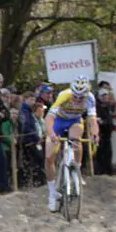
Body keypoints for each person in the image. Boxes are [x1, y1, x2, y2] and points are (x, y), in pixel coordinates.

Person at [44, 75, 98, 212]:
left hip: (75, 121)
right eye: (76, 96)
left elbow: (92, 120)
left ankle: (76, 169)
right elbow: (49, 117)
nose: (78, 99)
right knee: (49, 157)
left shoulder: (90, 98)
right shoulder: (64, 95)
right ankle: (52, 193)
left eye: (81, 97)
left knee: (75, 138)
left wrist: (95, 134)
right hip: (58, 122)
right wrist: (51, 134)